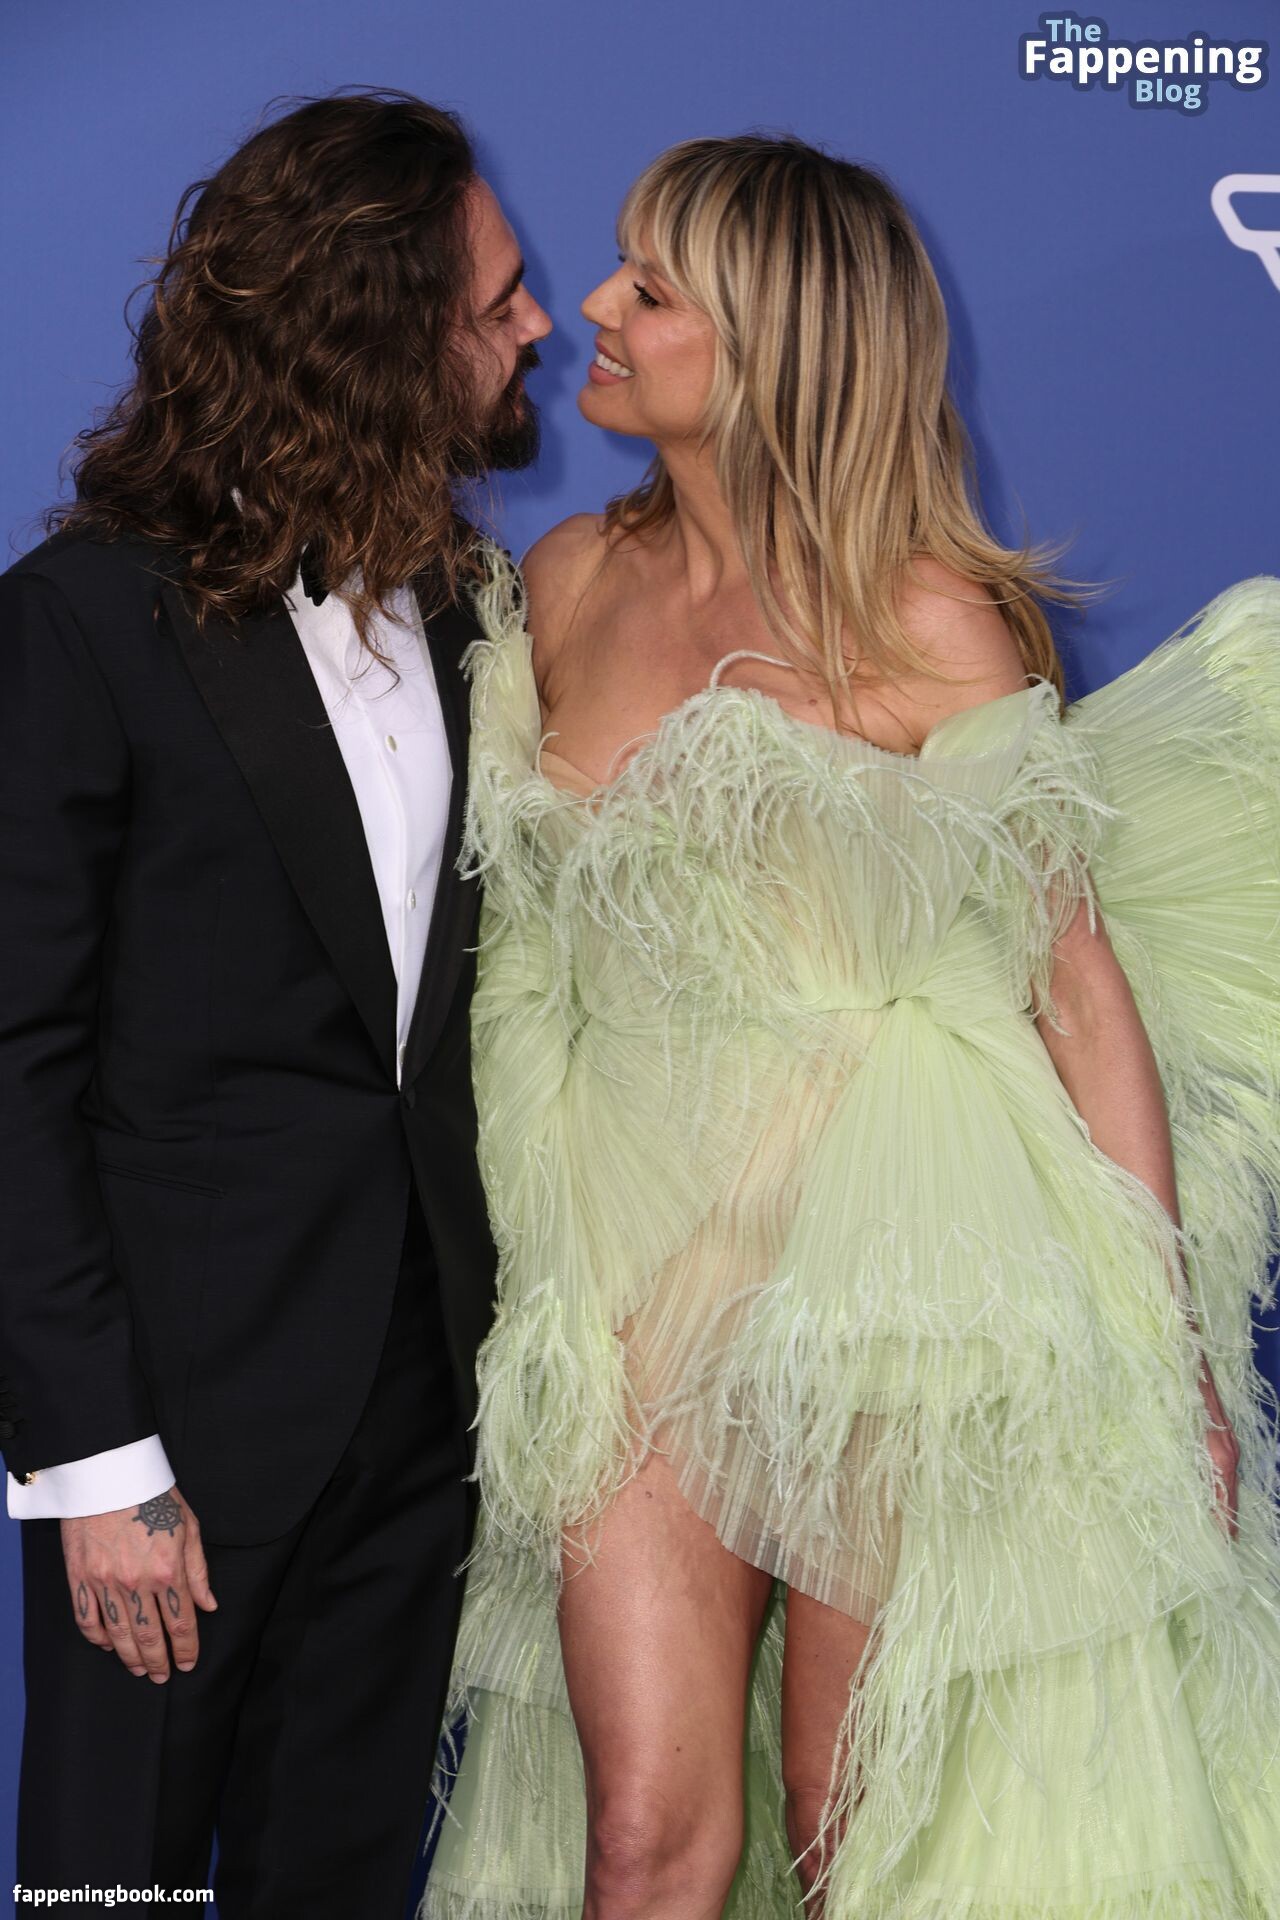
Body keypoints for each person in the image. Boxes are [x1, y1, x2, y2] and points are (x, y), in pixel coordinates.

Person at [423, 136, 1280, 1919]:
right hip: (642, 1282)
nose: (594, 306)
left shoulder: (930, 620)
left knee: (851, 1829)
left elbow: (1074, 987)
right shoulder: (565, 581)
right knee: (642, 1839)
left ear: (774, 346)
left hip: (894, 1287)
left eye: (652, 286)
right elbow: (521, 965)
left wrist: (1168, 1351)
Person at [0, 90, 551, 1916]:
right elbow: (14, 1065)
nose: (539, 324)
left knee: (339, 1882)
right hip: (174, 1431)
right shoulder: (85, 622)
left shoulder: (474, 607)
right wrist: (95, 1463)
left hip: (418, 1413)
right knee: (119, 1891)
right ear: (378, 337)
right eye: (498, 301)